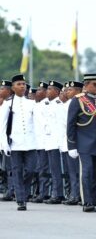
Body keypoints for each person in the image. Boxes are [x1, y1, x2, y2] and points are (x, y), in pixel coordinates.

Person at [67, 73, 96, 212]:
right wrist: (71, 145)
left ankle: (92, 199)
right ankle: (87, 202)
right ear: (86, 85)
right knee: (87, 171)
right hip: (84, 143)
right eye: (94, 84)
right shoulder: (78, 100)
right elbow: (71, 124)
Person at [0, 74, 37, 211]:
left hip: (31, 143)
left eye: (23, 84)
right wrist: (4, 144)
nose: (22, 86)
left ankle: (23, 192)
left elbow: (37, 124)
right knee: (16, 171)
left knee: (31, 170)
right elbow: (2, 126)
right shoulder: (7, 104)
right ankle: (21, 200)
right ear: (13, 88)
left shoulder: (32, 103)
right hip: (15, 143)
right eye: (19, 84)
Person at [62, 81, 84, 205]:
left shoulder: (78, 103)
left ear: (77, 91)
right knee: (72, 172)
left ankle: (78, 195)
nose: (67, 92)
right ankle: (74, 194)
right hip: (68, 142)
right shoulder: (66, 104)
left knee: (78, 171)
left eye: (70, 90)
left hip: (77, 142)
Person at [43, 81, 65, 204]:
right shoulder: (49, 104)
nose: (47, 91)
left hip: (56, 142)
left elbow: (62, 126)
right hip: (50, 142)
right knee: (53, 170)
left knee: (56, 170)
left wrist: (60, 143)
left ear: (57, 92)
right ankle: (56, 193)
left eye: (50, 89)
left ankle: (57, 194)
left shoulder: (58, 105)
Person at [0, 80, 15, 201]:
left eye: (2, 89)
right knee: (6, 168)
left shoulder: (11, 103)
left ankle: (11, 190)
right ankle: (9, 190)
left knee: (11, 168)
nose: (0, 91)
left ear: (9, 90)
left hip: (10, 139)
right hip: (4, 140)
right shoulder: (5, 103)